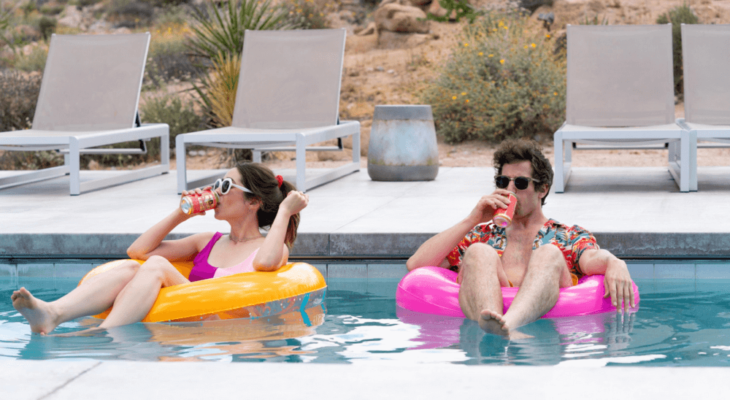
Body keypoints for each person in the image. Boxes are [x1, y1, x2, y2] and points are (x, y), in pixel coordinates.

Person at [11, 163, 308, 335]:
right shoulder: (208, 241)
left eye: (226, 186)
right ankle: (54, 312)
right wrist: (182, 213)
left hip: (221, 325)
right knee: (133, 267)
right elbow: (137, 251)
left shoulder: (270, 249)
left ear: (253, 202)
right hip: (187, 314)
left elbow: (266, 265)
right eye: (217, 183)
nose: (216, 191)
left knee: (156, 267)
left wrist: (284, 211)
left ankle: (100, 335)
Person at [406, 139, 634, 337]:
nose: (510, 190)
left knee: (549, 252)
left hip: (547, 329)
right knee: (478, 251)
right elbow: (416, 265)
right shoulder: (482, 234)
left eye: (521, 183)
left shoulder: (567, 235)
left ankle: (508, 325)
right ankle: (494, 327)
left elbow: (592, 259)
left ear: (542, 189)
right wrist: (472, 219)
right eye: (503, 182)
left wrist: (615, 262)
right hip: (486, 316)